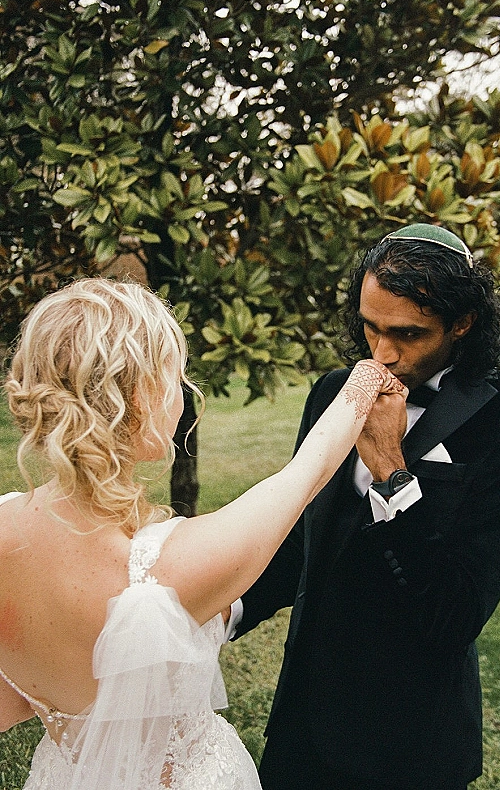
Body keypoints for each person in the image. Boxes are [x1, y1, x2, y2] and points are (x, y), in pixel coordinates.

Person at [0, 277, 403, 790]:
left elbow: (9, 705)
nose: (184, 393)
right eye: (175, 374)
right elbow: (306, 474)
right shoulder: (162, 571)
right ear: (139, 394)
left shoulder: (4, 524)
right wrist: (369, 375)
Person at [234, 224, 500, 790]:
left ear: (462, 323)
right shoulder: (334, 389)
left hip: (410, 744)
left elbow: (454, 615)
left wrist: (390, 468)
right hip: (303, 725)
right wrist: (219, 617)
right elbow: (301, 539)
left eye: (407, 333)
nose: (381, 354)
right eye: (370, 327)